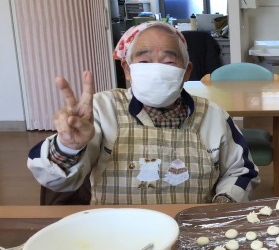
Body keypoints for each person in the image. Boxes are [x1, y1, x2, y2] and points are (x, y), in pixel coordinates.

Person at [28, 21, 259, 205]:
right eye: (145, 61)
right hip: (115, 235)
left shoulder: (213, 116)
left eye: (168, 62)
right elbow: (55, 181)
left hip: (191, 232)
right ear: (127, 70)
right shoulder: (101, 110)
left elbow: (241, 171)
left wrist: (223, 202)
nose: (156, 70)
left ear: (187, 71)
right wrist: (69, 147)